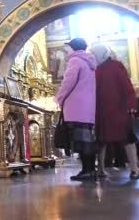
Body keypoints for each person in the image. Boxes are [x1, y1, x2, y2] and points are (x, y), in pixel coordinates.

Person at [89, 44, 139, 180]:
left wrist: (131, 104)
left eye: (93, 54)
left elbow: (126, 85)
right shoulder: (94, 69)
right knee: (100, 140)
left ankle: (135, 169)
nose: (92, 57)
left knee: (127, 139)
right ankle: (100, 169)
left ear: (101, 55)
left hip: (119, 108)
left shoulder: (116, 66)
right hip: (101, 109)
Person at [54, 38, 97, 181]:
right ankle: (90, 170)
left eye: (68, 47)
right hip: (87, 107)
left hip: (76, 107)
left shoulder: (75, 61)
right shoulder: (89, 62)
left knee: (81, 140)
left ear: (73, 48)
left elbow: (68, 82)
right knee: (86, 139)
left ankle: (87, 171)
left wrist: (58, 98)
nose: (67, 50)